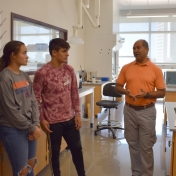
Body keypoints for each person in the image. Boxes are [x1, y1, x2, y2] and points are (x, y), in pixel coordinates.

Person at [33, 38, 86, 176]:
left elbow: (74, 93)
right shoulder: (42, 73)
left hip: (70, 119)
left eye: (67, 51)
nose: (67, 54)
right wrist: (41, 119)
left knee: (77, 150)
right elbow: (35, 98)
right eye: (64, 51)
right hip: (52, 122)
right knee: (55, 154)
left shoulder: (69, 70)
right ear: (54, 52)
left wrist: (78, 114)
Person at [115, 39, 165, 176]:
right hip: (129, 110)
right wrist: (125, 91)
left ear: (147, 49)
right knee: (133, 144)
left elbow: (162, 92)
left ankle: (147, 174)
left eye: (138, 48)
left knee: (146, 147)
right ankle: (136, 173)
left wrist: (147, 94)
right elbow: (118, 86)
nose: (135, 51)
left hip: (147, 112)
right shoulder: (127, 68)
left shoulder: (156, 70)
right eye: (133, 48)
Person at [0, 41, 41, 176]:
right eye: (24, 53)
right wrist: (31, 127)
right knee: (22, 171)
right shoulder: (5, 77)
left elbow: (33, 101)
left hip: (29, 127)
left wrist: (35, 123)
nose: (27, 56)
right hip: (12, 129)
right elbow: (10, 110)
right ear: (13, 55)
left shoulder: (24, 76)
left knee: (31, 164)